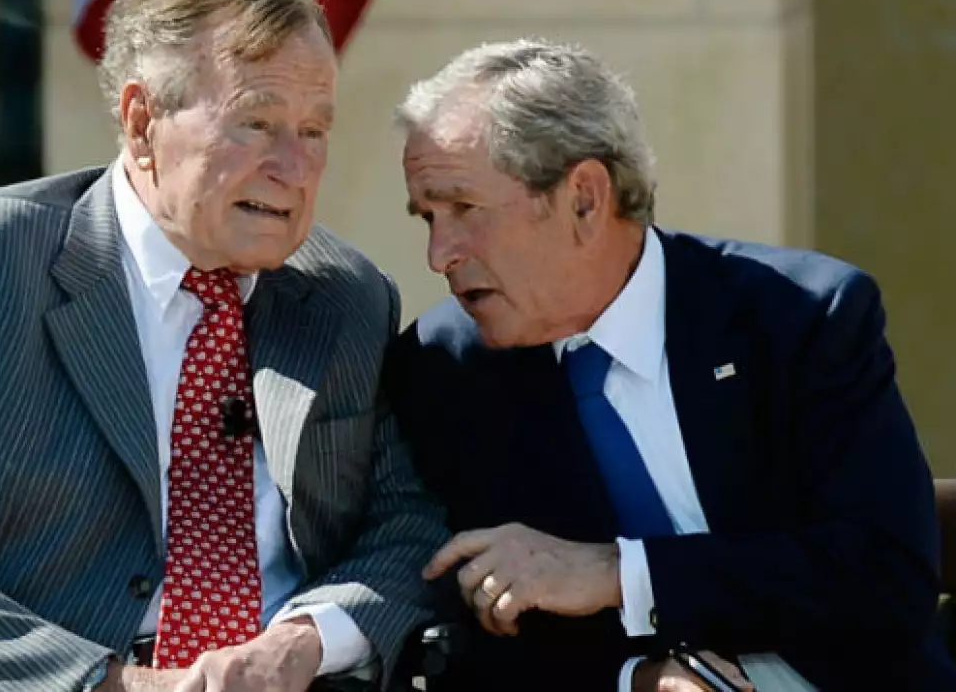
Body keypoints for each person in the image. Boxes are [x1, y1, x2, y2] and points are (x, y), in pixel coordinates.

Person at [0, 0, 447, 692]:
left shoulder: (346, 295)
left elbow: (405, 529)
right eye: (256, 123)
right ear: (142, 120)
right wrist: (113, 682)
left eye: (315, 130)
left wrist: (303, 641)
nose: (296, 167)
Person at [386, 38, 956, 690]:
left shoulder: (799, 317)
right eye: (427, 216)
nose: (439, 253)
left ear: (584, 199)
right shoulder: (444, 367)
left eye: (464, 209)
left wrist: (621, 575)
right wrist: (638, 678)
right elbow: (464, 635)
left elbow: (887, 576)